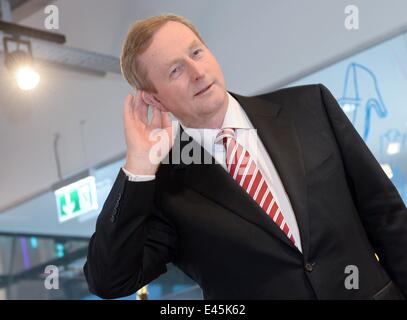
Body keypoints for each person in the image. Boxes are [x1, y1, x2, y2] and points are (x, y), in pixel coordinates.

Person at [83, 14, 407, 299]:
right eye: (175, 70)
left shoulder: (310, 107)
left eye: (196, 52)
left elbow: (387, 217)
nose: (196, 71)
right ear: (155, 100)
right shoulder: (165, 189)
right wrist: (138, 166)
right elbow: (110, 280)